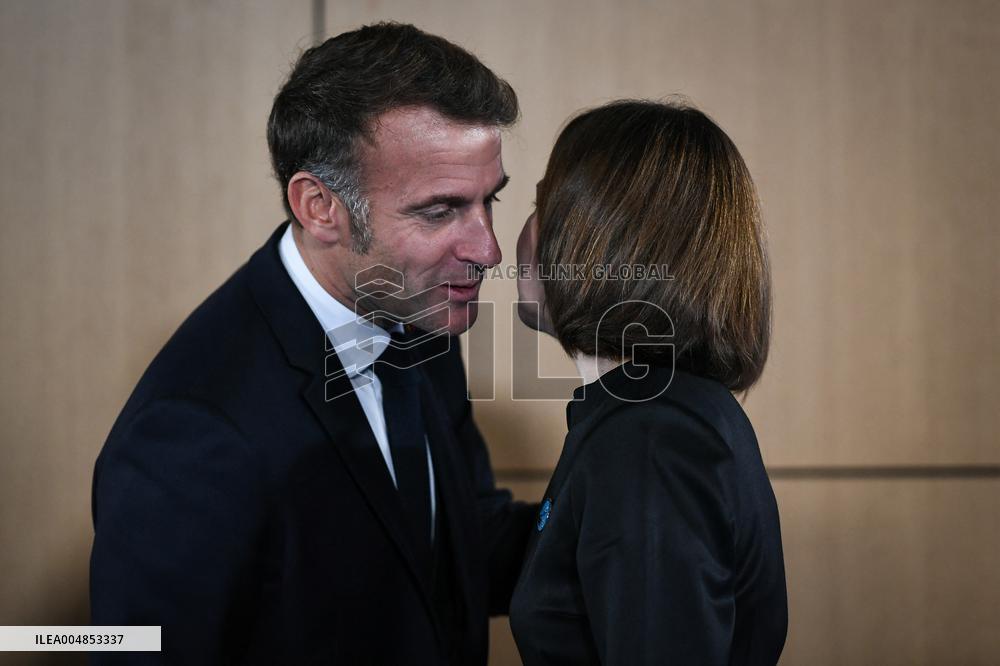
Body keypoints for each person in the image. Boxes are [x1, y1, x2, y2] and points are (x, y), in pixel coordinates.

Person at [90, 23, 535, 665]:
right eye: (440, 211)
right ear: (320, 207)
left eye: (488, 201)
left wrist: (624, 504)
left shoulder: (418, 315)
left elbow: (452, 544)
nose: (487, 249)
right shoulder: (191, 432)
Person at [509, 100, 788, 665]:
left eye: (543, 205)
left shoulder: (650, 441)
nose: (507, 238)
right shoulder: (648, 417)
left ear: (606, 241)